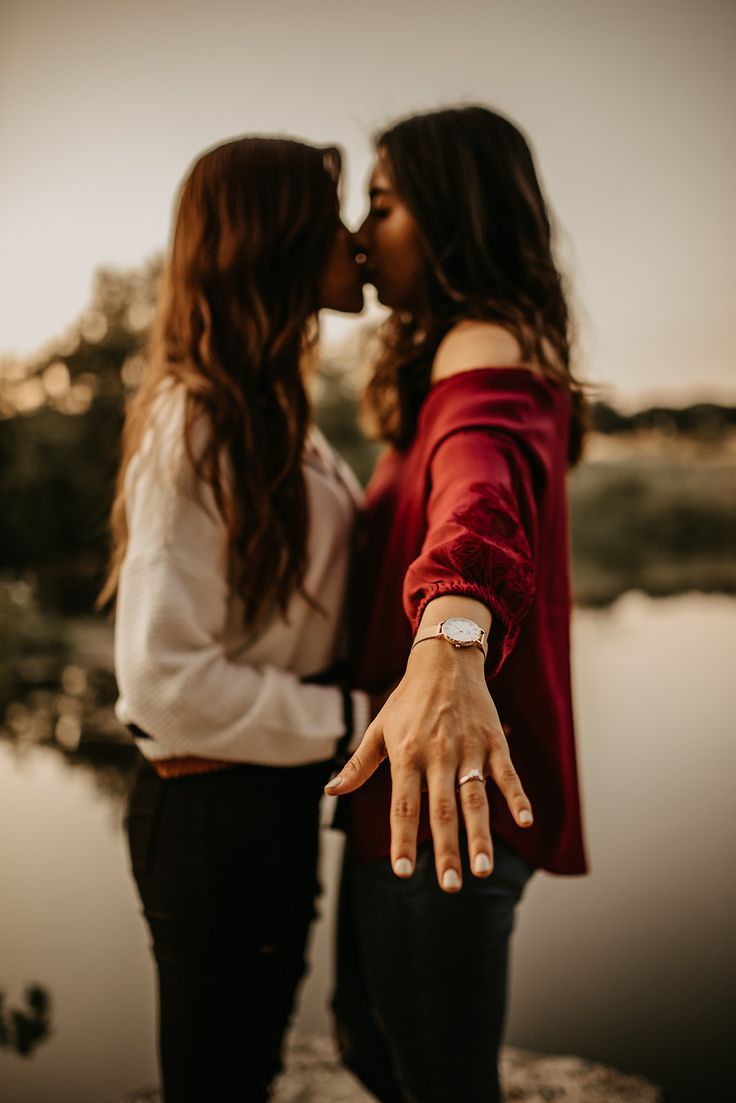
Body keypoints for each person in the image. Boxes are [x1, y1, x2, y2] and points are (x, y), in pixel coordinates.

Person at [98, 135, 371, 1103]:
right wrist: (360, 721)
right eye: (334, 218)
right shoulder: (199, 421)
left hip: (264, 802)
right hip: (213, 810)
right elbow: (165, 683)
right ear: (280, 238)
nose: (356, 242)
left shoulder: (273, 409)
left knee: (243, 1072)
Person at [325, 105, 589, 1103]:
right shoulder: (460, 353)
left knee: (435, 1076)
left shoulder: (482, 345)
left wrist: (450, 629)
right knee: (373, 1041)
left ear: (452, 214)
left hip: (451, 780)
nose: (359, 233)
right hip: (415, 764)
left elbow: (480, 484)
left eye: (382, 205)